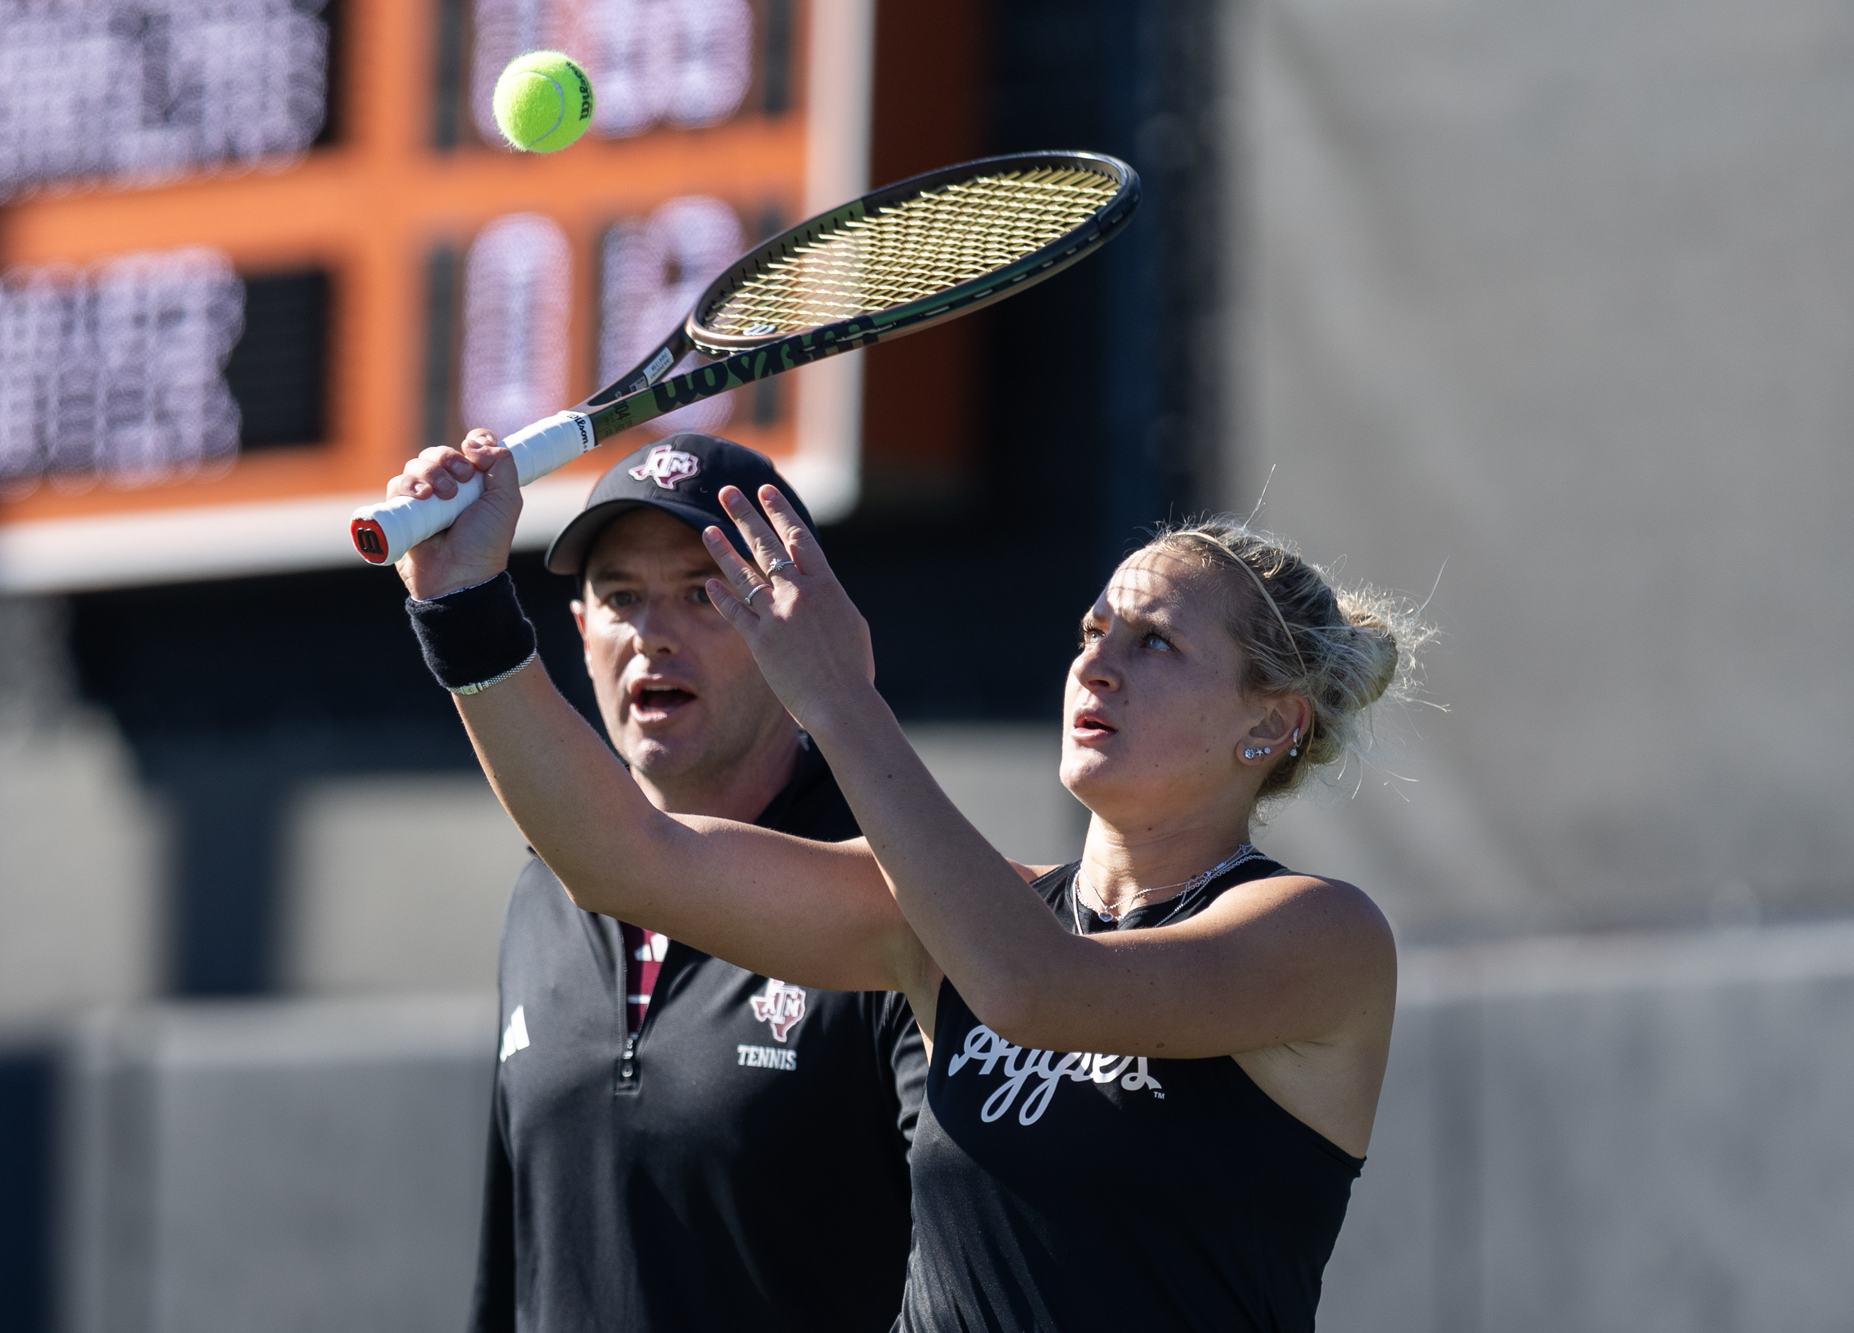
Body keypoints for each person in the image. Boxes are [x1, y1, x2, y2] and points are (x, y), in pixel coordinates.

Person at [388, 431, 1429, 1332]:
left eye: (1153, 642)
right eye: (1090, 632)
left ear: (1269, 722)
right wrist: (465, 605)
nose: (1097, 665)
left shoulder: (1317, 937)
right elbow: (623, 860)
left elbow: (1035, 990)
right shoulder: (954, 923)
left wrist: (838, 698)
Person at [424, 434, 926, 1333]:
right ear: (579, 633)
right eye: (621, 597)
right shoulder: (544, 892)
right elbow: (513, 1273)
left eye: (704, 593)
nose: (653, 632)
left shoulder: (892, 886)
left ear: (788, 625)